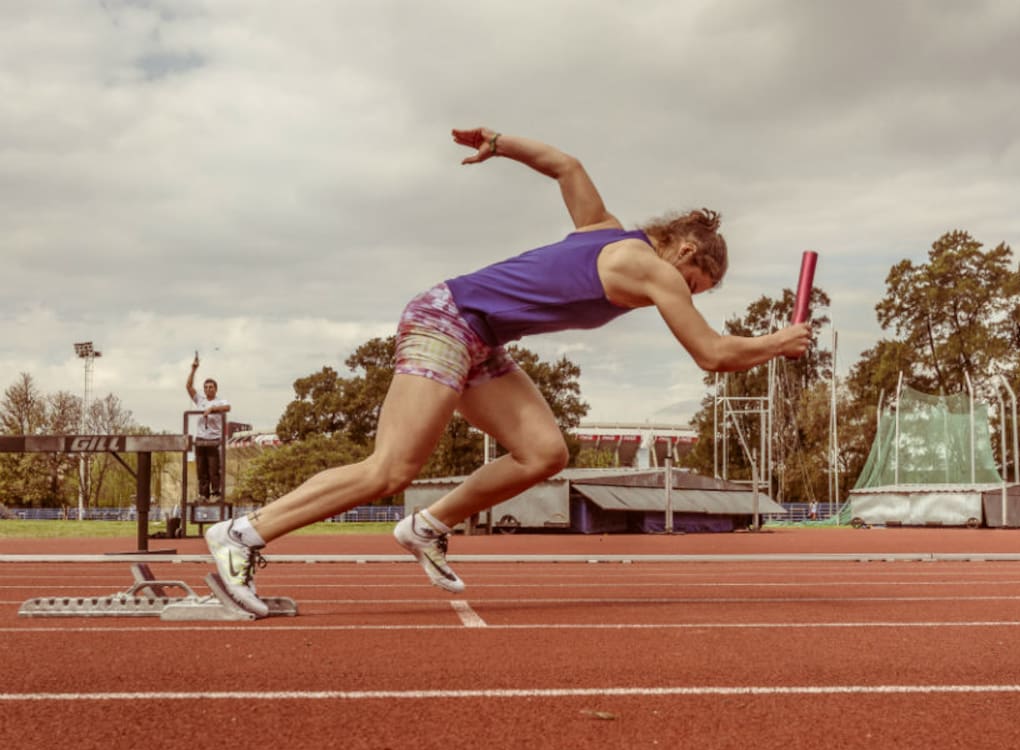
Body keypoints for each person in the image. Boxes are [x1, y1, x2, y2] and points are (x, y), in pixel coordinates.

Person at [204, 127, 813, 618]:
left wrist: (501, 144)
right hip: (448, 318)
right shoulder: (651, 268)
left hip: (483, 339)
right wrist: (776, 341)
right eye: (696, 285)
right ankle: (244, 535)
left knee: (543, 452)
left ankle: (427, 526)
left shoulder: (603, 230)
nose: (689, 296)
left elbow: (567, 166)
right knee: (391, 467)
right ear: (684, 255)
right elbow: (712, 354)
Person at [186, 355, 231, 501]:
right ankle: (203, 495)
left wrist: (212, 409)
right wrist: (193, 370)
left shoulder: (220, 401)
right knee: (201, 469)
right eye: (206, 387)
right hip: (201, 439)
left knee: (213, 469)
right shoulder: (200, 400)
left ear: (215, 389)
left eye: (211, 387)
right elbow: (188, 387)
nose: (208, 389)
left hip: (213, 439)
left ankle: (216, 493)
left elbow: (227, 407)